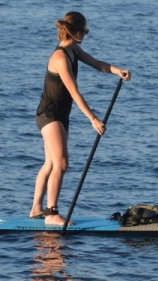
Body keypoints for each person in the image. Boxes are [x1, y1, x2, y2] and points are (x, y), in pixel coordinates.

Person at [30, 12, 130, 226]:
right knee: (62, 163)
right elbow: (75, 93)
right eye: (84, 32)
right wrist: (93, 119)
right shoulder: (59, 58)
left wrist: (117, 71)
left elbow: (96, 64)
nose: (85, 35)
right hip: (50, 115)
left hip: (59, 115)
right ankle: (52, 213)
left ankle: (36, 208)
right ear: (76, 33)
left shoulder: (73, 49)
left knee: (50, 163)